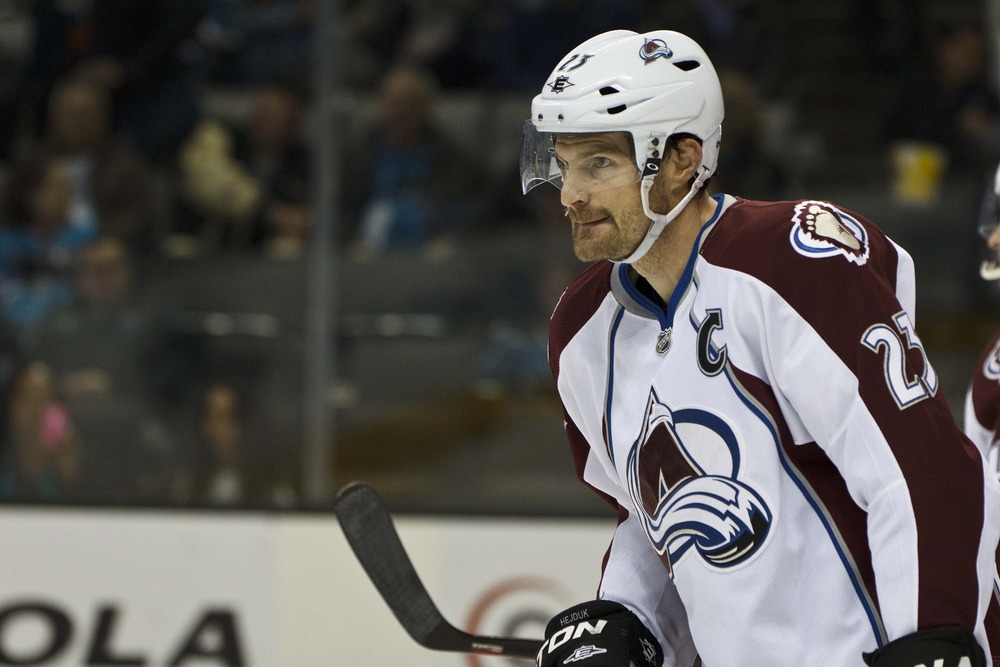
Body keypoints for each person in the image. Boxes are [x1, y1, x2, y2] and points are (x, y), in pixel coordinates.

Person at [521, 30, 1000, 666]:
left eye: (600, 164)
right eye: (565, 163)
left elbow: (916, 470)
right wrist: (625, 620)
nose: (570, 193)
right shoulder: (582, 331)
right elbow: (652, 519)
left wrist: (935, 636)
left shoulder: (789, 264)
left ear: (682, 160)